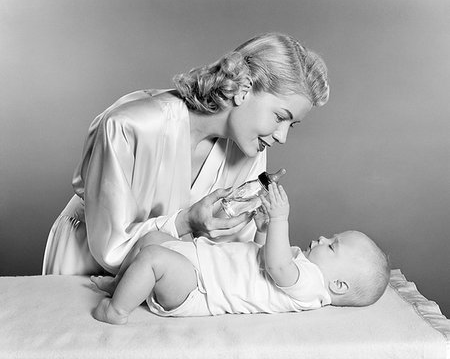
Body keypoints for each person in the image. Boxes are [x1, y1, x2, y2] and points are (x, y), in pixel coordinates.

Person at [42, 32, 330, 275]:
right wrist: (185, 222)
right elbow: (110, 248)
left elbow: (234, 253)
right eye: (280, 117)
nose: (282, 136)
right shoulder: (131, 126)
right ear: (244, 89)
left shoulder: (249, 148)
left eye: (292, 124)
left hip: (163, 280)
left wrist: (263, 230)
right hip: (87, 260)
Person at [91, 183, 390, 324]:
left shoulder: (312, 285)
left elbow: (276, 267)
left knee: (153, 258)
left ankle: (116, 311)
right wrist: (262, 230)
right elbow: (262, 258)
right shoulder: (301, 266)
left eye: (332, 245)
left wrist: (279, 219)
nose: (324, 237)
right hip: (201, 265)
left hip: (199, 289)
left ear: (338, 285)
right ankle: (121, 284)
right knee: (154, 239)